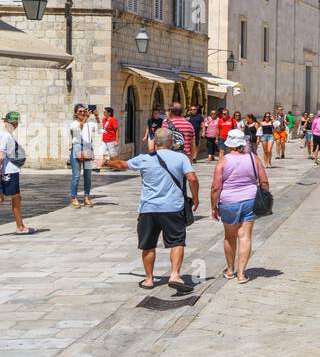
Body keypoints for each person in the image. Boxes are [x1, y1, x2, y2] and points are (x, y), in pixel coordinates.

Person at [103, 126, 200, 292]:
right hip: (173, 207)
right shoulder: (181, 158)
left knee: (148, 245)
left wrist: (106, 162)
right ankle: (175, 274)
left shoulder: (144, 158)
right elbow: (192, 178)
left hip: (148, 208)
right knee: (177, 241)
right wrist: (196, 198)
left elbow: (121, 164)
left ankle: (149, 279)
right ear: (172, 141)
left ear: (155, 142)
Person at [211, 129, 270, 283]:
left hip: (228, 203)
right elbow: (264, 182)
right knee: (245, 236)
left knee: (230, 236)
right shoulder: (253, 158)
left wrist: (213, 206)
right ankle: (242, 274)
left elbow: (216, 188)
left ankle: (230, 270)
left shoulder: (223, 161)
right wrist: (264, 196)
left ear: (229, 144)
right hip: (250, 200)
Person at [0, 112, 30, 234]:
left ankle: (21, 225)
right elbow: (1, 155)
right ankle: (20, 227)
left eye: (16, 123)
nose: (15, 125)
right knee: (16, 198)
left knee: (3, 198)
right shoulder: (6, 136)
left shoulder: (3, 134)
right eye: (14, 123)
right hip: (9, 171)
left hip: (6, 171)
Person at [68, 105, 95, 208]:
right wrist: (86, 118)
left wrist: (96, 116)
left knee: (88, 175)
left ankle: (86, 197)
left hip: (87, 148)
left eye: (84, 111)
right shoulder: (73, 124)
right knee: (76, 175)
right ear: (75, 113)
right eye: (80, 111)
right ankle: (74, 198)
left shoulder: (88, 124)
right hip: (77, 149)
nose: (83, 113)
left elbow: (100, 129)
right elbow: (79, 129)